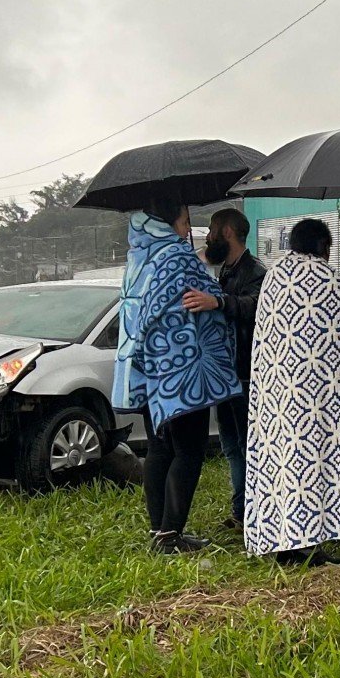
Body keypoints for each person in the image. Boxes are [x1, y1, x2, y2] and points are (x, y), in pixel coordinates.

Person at [244, 218, 340, 563]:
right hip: (315, 400)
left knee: (282, 465)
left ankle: (281, 538)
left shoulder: (274, 275)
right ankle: (307, 543)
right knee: (312, 466)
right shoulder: (323, 277)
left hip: (276, 396)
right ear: (322, 247)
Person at [114, 199, 242, 555]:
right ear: (168, 222)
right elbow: (209, 298)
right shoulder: (176, 256)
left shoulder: (137, 257)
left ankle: (159, 532)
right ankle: (171, 537)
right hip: (183, 371)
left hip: (145, 369)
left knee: (158, 449)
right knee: (189, 450)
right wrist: (216, 296)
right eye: (185, 221)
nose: (189, 230)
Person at [184, 207, 266, 529]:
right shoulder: (226, 271)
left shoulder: (255, 270)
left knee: (246, 445)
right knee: (231, 446)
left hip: (245, 371)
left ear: (228, 233)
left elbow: (256, 305)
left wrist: (218, 302)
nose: (208, 237)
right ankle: (240, 509)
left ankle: (251, 511)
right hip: (225, 373)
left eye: (213, 231)